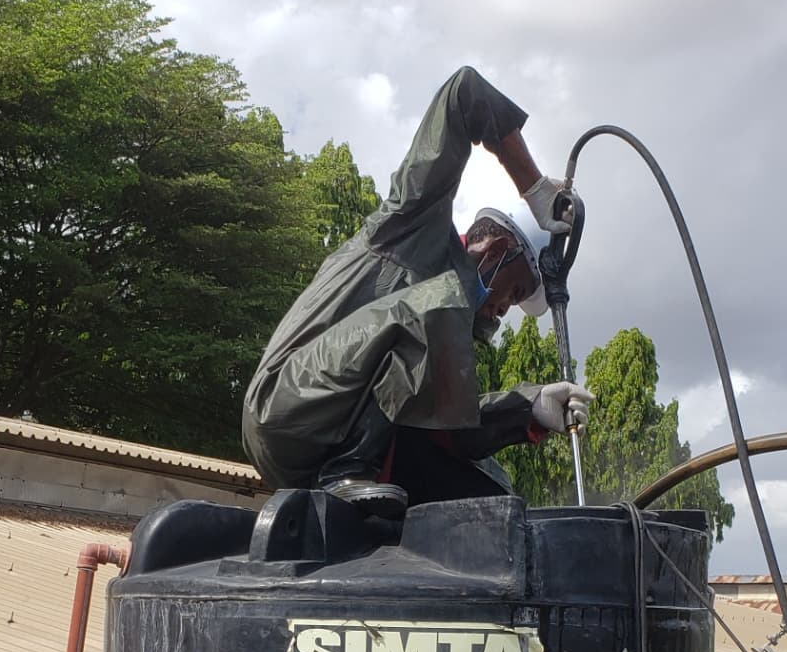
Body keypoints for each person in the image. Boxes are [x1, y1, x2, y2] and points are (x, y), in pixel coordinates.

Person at [242, 65, 594, 515]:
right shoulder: (410, 227)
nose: (503, 310)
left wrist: (531, 407)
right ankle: (346, 475)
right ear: (498, 249)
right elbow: (464, 92)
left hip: (323, 443)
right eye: (514, 291)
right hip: (287, 406)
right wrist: (535, 187)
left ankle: (380, 511)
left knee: (484, 487)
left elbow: (454, 432)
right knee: (438, 303)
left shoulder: (435, 341)